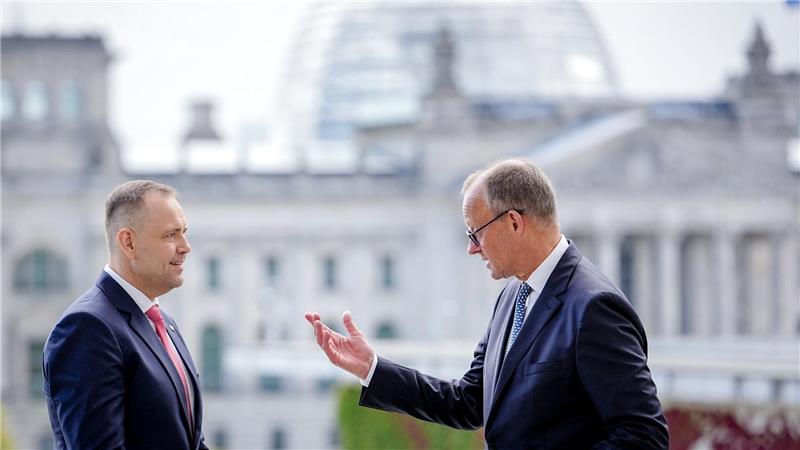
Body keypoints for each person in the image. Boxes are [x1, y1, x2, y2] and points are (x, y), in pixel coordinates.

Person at [305, 158, 669, 449]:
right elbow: (468, 401)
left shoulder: (594, 306)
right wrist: (372, 368)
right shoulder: (513, 296)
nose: (471, 248)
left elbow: (643, 435)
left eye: (475, 233)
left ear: (513, 222)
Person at [43, 180, 208, 450]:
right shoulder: (88, 328)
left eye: (184, 232)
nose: (185, 246)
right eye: (171, 235)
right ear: (128, 242)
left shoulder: (164, 323)